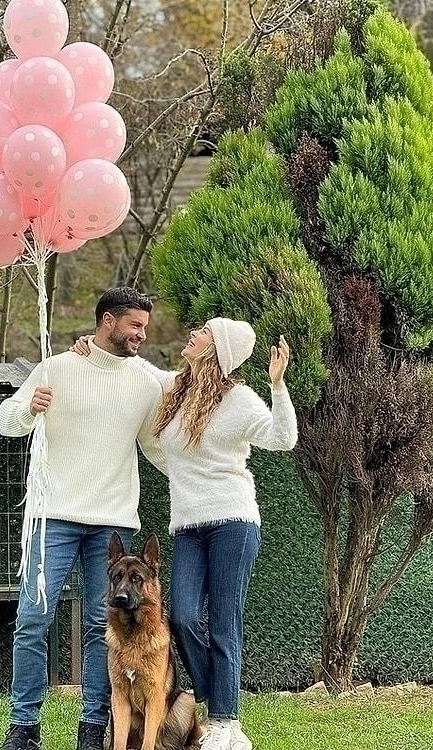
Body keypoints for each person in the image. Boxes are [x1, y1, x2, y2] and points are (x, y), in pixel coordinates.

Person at [72, 318, 297, 750]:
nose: (194, 332)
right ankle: (216, 702)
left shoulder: (241, 399)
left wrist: (278, 385)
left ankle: (226, 723)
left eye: (205, 331)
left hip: (234, 521)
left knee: (224, 624)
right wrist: (95, 345)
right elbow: (136, 367)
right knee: (183, 617)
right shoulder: (176, 390)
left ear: (218, 349)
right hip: (188, 527)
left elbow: (283, 438)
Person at [0, 287, 165, 750]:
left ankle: (93, 730)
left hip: (113, 523)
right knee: (33, 618)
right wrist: (29, 408)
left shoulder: (146, 380)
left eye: (145, 327)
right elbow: (5, 422)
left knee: (100, 626)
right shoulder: (57, 368)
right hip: (53, 515)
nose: (142, 336)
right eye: (135, 326)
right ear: (107, 321)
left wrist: (203, 479)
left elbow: (156, 443)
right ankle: (23, 729)